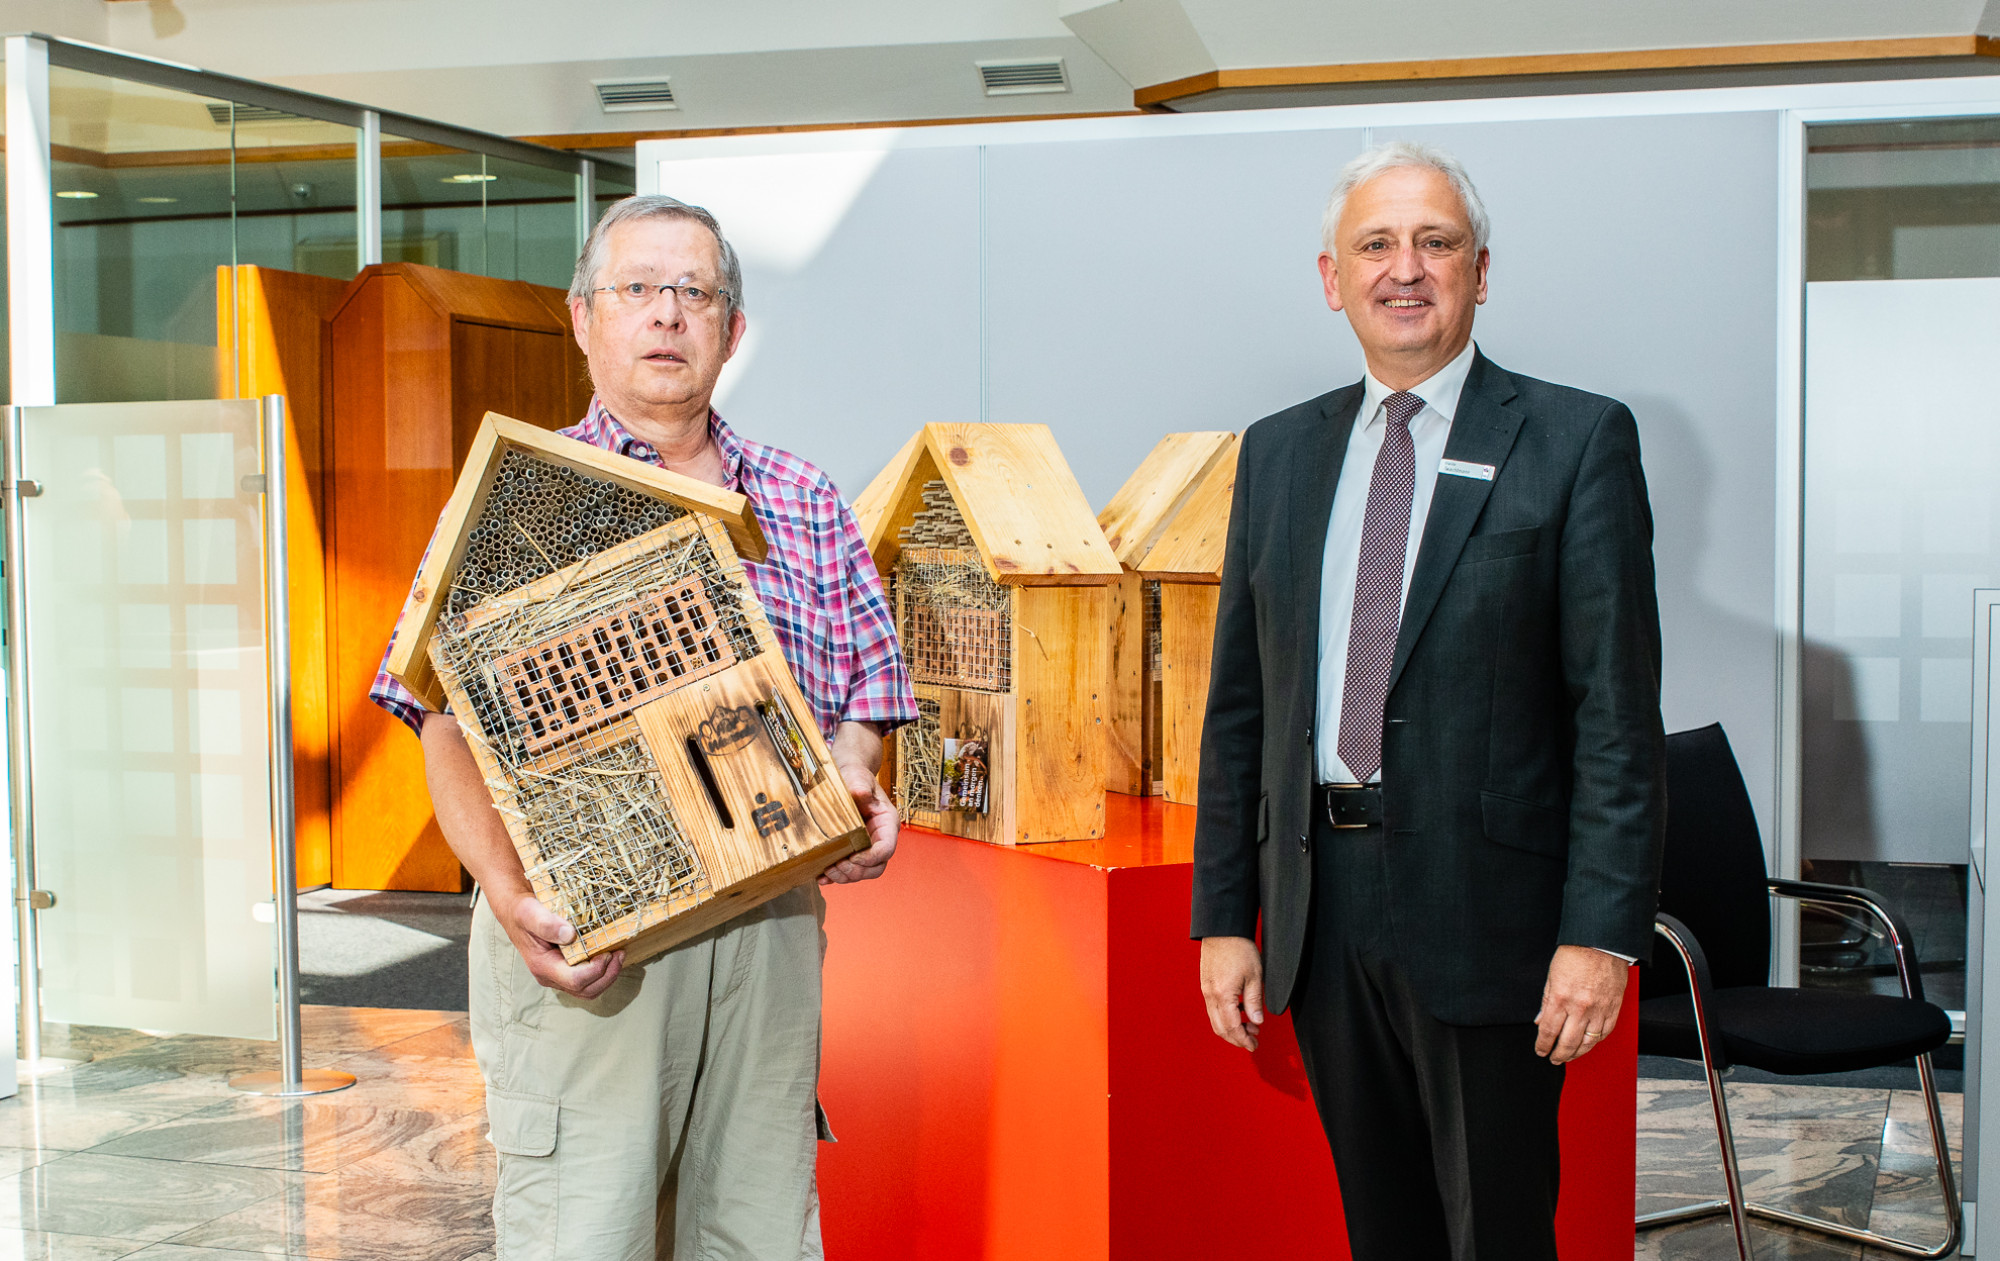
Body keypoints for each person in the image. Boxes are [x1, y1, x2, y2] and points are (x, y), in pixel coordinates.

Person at [368, 194, 917, 1259]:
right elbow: (439, 719)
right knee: (587, 1228)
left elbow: (867, 697)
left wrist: (855, 785)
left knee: (756, 1227)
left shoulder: (804, 498)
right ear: (583, 319)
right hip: (589, 930)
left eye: (693, 292)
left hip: (766, 929)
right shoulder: (520, 496)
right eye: (637, 289)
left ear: (732, 329)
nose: (667, 313)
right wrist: (512, 898)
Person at [1190, 142, 1666, 1259]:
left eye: (1434, 242)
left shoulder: (1575, 439)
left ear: (1479, 272)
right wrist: (1221, 916)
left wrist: (1600, 934)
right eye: (1375, 245)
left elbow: (1615, 717)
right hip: (1322, 909)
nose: (1403, 269)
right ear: (1332, 278)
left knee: (1496, 1233)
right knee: (1383, 1229)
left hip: (1492, 920)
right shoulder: (1277, 453)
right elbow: (1241, 707)